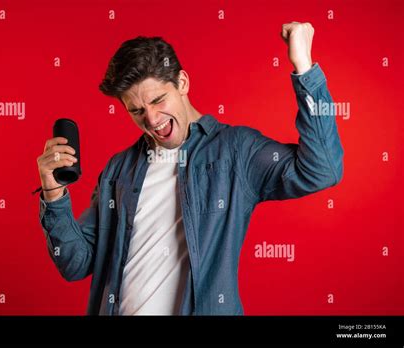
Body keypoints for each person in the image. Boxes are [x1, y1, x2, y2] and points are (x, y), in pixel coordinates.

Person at [36, 22, 344, 315]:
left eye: (158, 100)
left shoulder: (236, 150)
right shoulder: (119, 169)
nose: (153, 119)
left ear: (182, 83)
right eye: (137, 111)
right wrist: (53, 191)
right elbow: (76, 264)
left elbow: (322, 170)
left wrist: (304, 68)